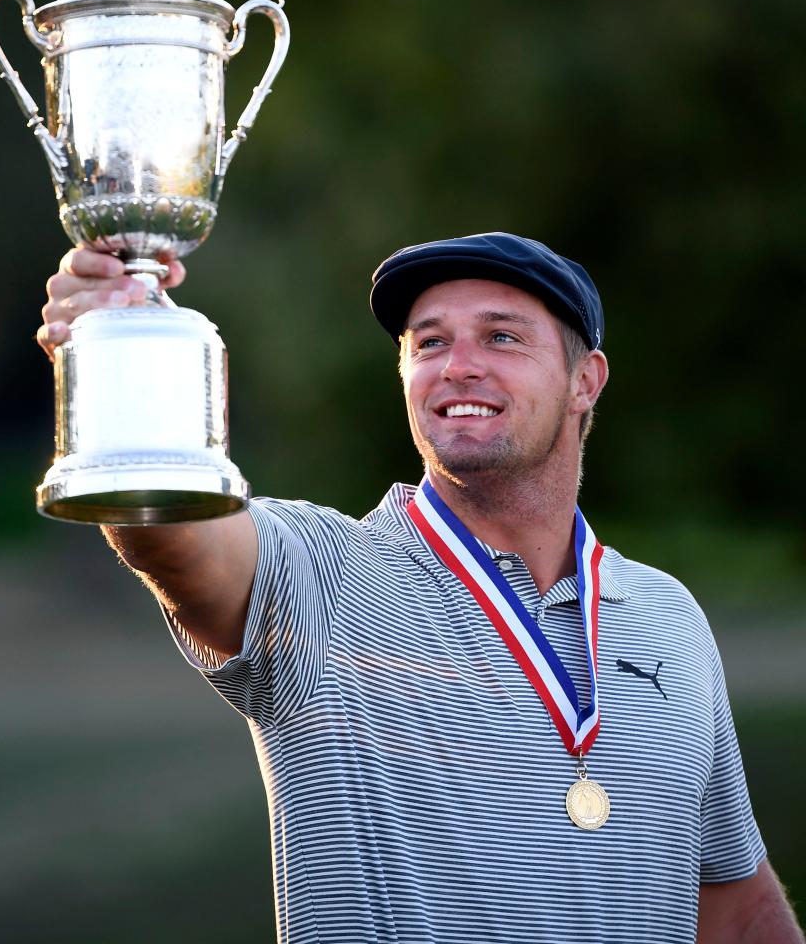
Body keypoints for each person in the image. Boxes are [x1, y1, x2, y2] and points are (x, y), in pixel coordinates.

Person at [39, 232, 804, 944]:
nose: (457, 365)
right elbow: (174, 536)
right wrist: (115, 358)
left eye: (501, 336)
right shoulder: (324, 572)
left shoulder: (667, 614)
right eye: (429, 342)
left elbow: (734, 907)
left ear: (584, 380)